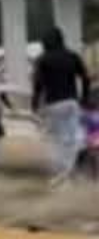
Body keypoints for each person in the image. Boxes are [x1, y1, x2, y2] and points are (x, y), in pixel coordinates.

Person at [32, 27, 92, 183]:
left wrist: (35, 104)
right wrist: (85, 98)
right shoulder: (72, 56)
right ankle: (73, 170)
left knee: (57, 139)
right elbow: (86, 77)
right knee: (72, 136)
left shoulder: (43, 59)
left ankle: (61, 171)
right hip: (71, 102)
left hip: (53, 104)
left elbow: (38, 84)